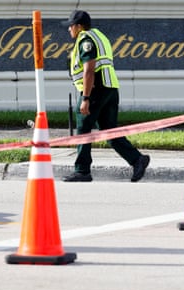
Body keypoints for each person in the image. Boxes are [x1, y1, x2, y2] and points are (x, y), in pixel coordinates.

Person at [61, 10, 150, 182]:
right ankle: (137, 159)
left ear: (79, 27)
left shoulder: (85, 40)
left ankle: (82, 170)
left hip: (95, 89)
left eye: (71, 26)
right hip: (110, 88)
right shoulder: (99, 35)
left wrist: (85, 98)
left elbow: (89, 70)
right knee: (109, 131)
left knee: (83, 129)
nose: (69, 30)